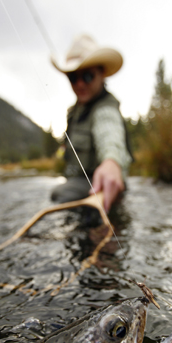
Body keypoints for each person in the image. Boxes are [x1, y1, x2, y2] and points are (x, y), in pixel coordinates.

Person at [50, 34, 132, 212]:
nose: (79, 84)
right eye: (73, 77)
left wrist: (111, 161)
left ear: (102, 74)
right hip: (80, 184)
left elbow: (109, 132)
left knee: (59, 194)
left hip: (105, 188)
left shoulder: (106, 108)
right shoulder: (74, 112)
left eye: (87, 76)